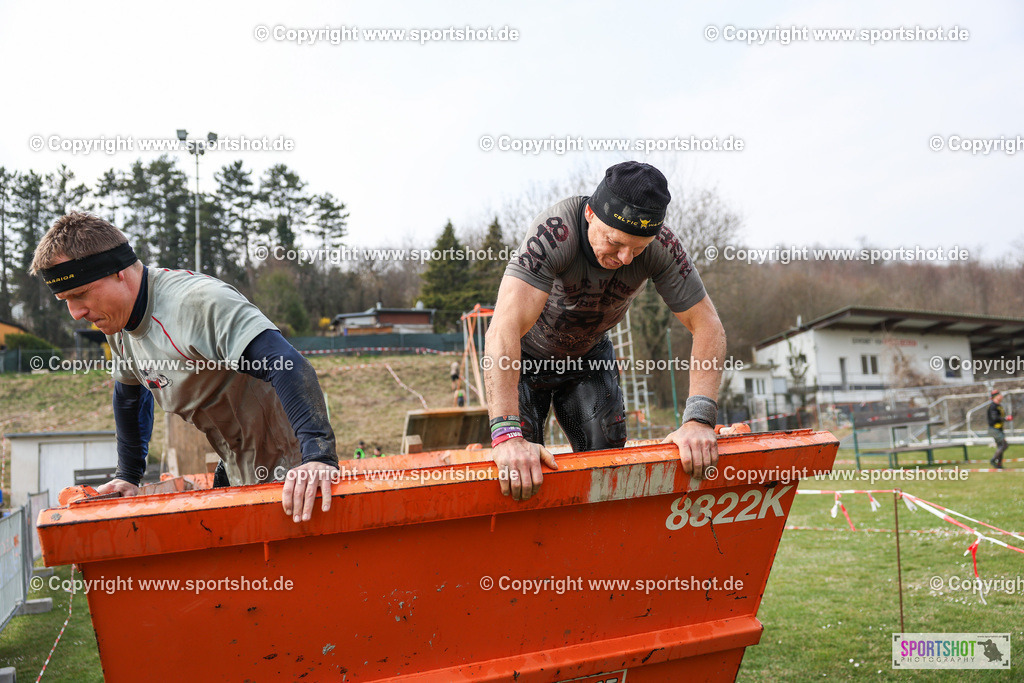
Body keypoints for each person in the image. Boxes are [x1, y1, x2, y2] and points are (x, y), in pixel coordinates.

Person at [31, 212, 339, 523]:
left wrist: (318, 455)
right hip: (233, 460)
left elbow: (287, 364)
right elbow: (130, 396)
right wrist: (127, 475)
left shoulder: (197, 304)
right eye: (65, 300)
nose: (75, 313)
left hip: (289, 465)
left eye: (80, 295)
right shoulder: (117, 325)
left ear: (118, 272)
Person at [483, 161, 727, 501]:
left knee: (607, 466)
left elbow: (708, 325)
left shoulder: (662, 247)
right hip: (524, 361)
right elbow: (502, 329)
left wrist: (699, 419)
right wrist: (507, 435)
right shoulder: (555, 234)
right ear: (590, 215)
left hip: (587, 358)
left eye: (638, 249)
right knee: (519, 471)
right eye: (614, 242)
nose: (626, 258)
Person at [987, 389, 1008, 469]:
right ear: (996, 397)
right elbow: (994, 418)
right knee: (1004, 445)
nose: (1001, 396)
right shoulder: (993, 406)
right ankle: (993, 460)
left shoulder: (999, 406)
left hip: (999, 429)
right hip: (994, 429)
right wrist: (1005, 419)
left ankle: (999, 464)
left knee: (1001, 446)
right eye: (1000, 395)